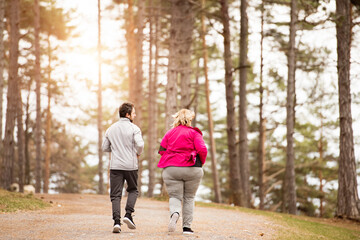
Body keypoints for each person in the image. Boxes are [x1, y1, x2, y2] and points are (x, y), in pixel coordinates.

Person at [158, 109, 207, 235]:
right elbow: (202, 148)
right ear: (189, 120)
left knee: (175, 196)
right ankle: (186, 228)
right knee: (189, 197)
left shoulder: (170, 133)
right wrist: (201, 162)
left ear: (177, 119)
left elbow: (162, 149)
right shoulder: (194, 133)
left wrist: (171, 156)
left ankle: (174, 213)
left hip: (172, 168)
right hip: (192, 168)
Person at [102, 102, 144, 233]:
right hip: (130, 165)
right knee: (133, 190)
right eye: (133, 112)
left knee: (115, 195)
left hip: (115, 166)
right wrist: (137, 153)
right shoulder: (134, 128)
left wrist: (115, 149)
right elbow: (140, 144)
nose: (135, 114)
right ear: (128, 114)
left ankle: (116, 222)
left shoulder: (110, 129)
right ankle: (128, 214)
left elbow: (104, 147)